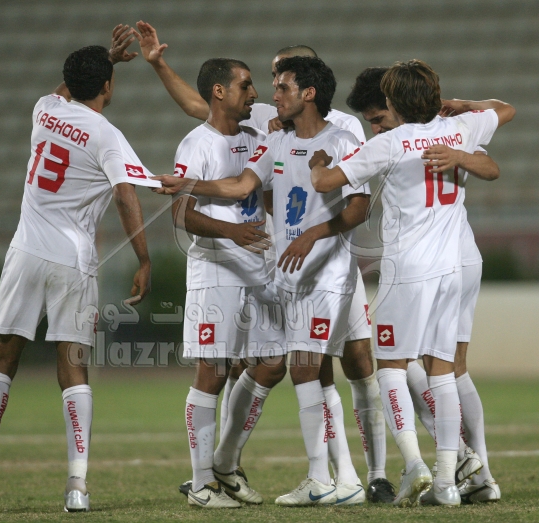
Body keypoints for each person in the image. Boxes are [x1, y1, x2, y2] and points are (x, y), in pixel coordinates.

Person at [135, 20, 393, 504]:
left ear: (308, 88)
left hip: (325, 269)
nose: (268, 93)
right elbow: (237, 180)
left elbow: (359, 206)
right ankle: (238, 470)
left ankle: (350, 477)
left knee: (333, 364)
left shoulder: (343, 134)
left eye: (280, 82)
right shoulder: (271, 136)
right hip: (278, 269)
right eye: (263, 82)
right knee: (287, 367)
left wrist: (312, 230)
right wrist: (188, 183)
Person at [0, 29, 157, 513]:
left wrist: (104, 60)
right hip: (72, 260)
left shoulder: (44, 109)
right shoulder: (107, 135)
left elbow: (64, 89)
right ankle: (77, 486)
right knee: (73, 366)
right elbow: (125, 195)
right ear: (107, 86)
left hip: (25, 252)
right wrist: (144, 258)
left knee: (1, 358)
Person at [309, 59, 515, 506]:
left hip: (408, 269)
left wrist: (318, 162)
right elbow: (504, 113)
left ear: (392, 102)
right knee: (444, 371)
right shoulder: (459, 129)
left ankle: (416, 465)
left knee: (390, 367)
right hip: (451, 267)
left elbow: (325, 182)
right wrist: (461, 110)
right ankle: (448, 483)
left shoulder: (390, 143)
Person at [170, 57, 291, 509]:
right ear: (219, 92)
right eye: (245, 85)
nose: (254, 93)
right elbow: (181, 213)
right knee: (213, 372)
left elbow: (265, 197)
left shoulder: (256, 139)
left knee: (273, 362)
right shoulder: (195, 144)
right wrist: (232, 232)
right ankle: (202, 484)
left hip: (259, 268)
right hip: (217, 270)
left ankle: (224, 460)